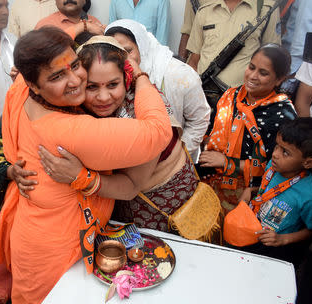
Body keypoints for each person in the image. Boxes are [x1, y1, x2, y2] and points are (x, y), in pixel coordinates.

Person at [0, 27, 172, 303]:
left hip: (34, 232)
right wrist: (141, 75)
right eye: (58, 76)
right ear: (34, 84)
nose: (76, 81)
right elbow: (158, 132)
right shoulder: (73, 132)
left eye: (74, 66)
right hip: (54, 250)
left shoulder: (20, 91)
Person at [19, 36, 201, 233]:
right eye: (92, 86)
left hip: (161, 208)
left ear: (127, 79)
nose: (103, 98)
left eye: (113, 85)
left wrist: (79, 176)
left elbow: (130, 187)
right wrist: (16, 170)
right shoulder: (71, 103)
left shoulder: (139, 116)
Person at [199, 44, 297, 210]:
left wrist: (227, 162)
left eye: (263, 73)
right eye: (251, 67)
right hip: (208, 180)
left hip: (248, 193)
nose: (253, 76)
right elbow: (209, 131)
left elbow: (279, 166)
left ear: (279, 79)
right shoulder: (231, 95)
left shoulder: (283, 115)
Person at [105, 19, 210, 160]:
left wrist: (177, 157)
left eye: (128, 51)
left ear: (142, 47)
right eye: (114, 53)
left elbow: (199, 120)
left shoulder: (180, 75)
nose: (123, 59)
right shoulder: (107, 79)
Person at [237, 117, 312, 266]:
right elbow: (269, 190)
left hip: (276, 248)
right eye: (277, 146)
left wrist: (282, 239)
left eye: (285, 152)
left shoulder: (311, 195)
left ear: (308, 162)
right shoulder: (273, 166)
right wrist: (251, 191)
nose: (275, 154)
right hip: (253, 231)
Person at [186, 0, 281, 89]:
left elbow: (273, 59)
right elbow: (193, 62)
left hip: (243, 99)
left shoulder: (266, 8)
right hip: (204, 95)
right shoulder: (205, 10)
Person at [35, 0, 101, 31]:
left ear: (84, 1)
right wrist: (83, 26)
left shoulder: (95, 21)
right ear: (55, 1)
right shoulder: (45, 25)